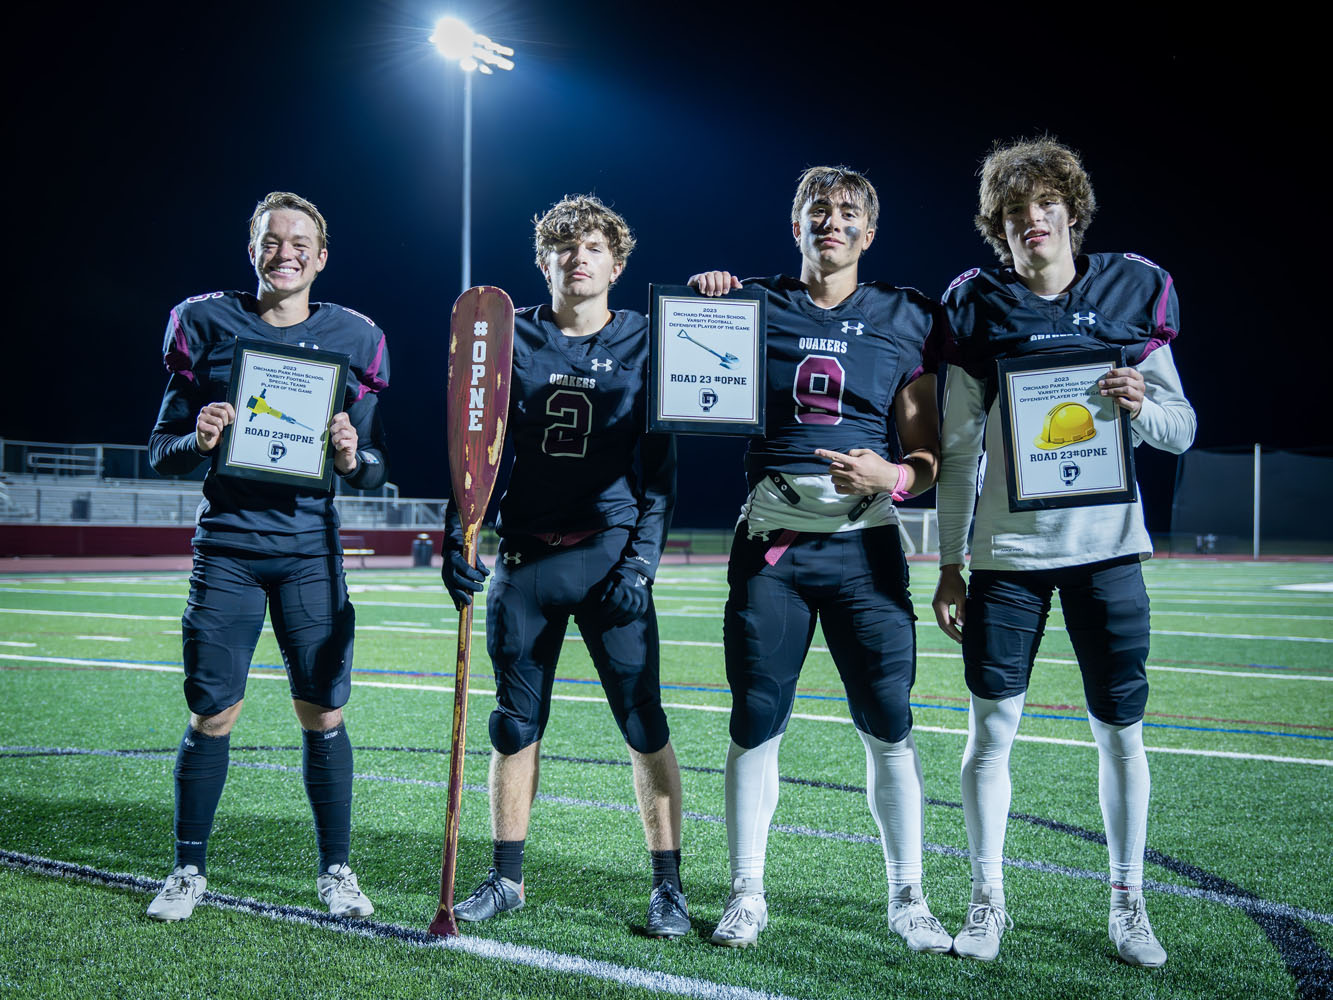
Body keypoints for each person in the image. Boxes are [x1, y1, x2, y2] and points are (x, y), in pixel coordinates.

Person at [931, 138, 1195, 967]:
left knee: (1120, 732)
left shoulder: (1130, 291)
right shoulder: (978, 306)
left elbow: (1181, 427)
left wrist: (1137, 404)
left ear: (1069, 213)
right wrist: (946, 563)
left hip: (1107, 549)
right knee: (989, 732)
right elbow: (959, 447)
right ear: (997, 230)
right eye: (1013, 214)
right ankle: (986, 900)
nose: (1030, 222)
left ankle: (1128, 903)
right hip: (1008, 556)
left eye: (1043, 206)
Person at [688, 165, 948, 953]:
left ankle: (908, 896)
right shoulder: (751, 302)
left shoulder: (905, 315)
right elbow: (692, 375)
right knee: (754, 722)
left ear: (868, 234)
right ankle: (745, 892)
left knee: (889, 725)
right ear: (794, 225)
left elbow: (928, 453)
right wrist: (700, 310)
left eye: (845, 214)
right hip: (772, 547)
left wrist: (897, 476)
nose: (830, 223)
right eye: (816, 211)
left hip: (865, 548)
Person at [442, 195, 687, 937]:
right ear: (542, 261)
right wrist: (459, 535)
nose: (577, 258)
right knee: (513, 724)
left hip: (609, 554)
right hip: (525, 557)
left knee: (642, 721)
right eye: (562, 248)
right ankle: (506, 879)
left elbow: (660, 466)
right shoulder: (507, 337)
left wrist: (641, 562)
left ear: (617, 263)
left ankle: (669, 888)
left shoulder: (650, 340)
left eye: (592, 248)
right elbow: (469, 444)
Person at [146, 191, 389, 922]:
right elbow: (162, 453)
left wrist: (352, 455)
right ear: (252, 250)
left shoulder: (356, 337)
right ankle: (188, 869)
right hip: (227, 548)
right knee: (212, 714)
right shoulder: (204, 322)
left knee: (324, 715)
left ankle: (337, 870)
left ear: (321, 256)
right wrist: (201, 439)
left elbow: (373, 467)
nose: (285, 253)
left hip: (311, 549)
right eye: (270, 241)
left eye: (299, 243)